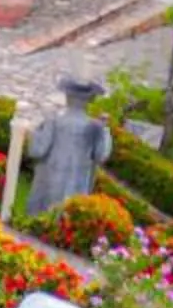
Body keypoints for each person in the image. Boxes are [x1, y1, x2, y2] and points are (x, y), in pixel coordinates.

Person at [24, 77, 113, 219]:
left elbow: (37, 150)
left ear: (67, 96)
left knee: (40, 218)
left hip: (48, 184)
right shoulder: (95, 127)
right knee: (66, 220)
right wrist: (105, 130)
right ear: (90, 100)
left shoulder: (53, 121)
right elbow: (101, 155)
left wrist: (36, 131)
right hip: (76, 187)